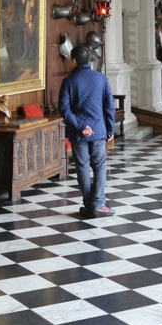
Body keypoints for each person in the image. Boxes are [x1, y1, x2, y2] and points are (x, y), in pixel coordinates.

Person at [59, 45, 116, 218]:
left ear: (74, 61)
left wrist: (81, 126)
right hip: (99, 131)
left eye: (70, 59)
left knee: (82, 168)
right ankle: (98, 204)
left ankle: (89, 204)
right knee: (99, 166)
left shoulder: (68, 81)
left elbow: (64, 109)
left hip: (78, 132)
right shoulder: (101, 79)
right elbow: (110, 106)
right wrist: (110, 128)